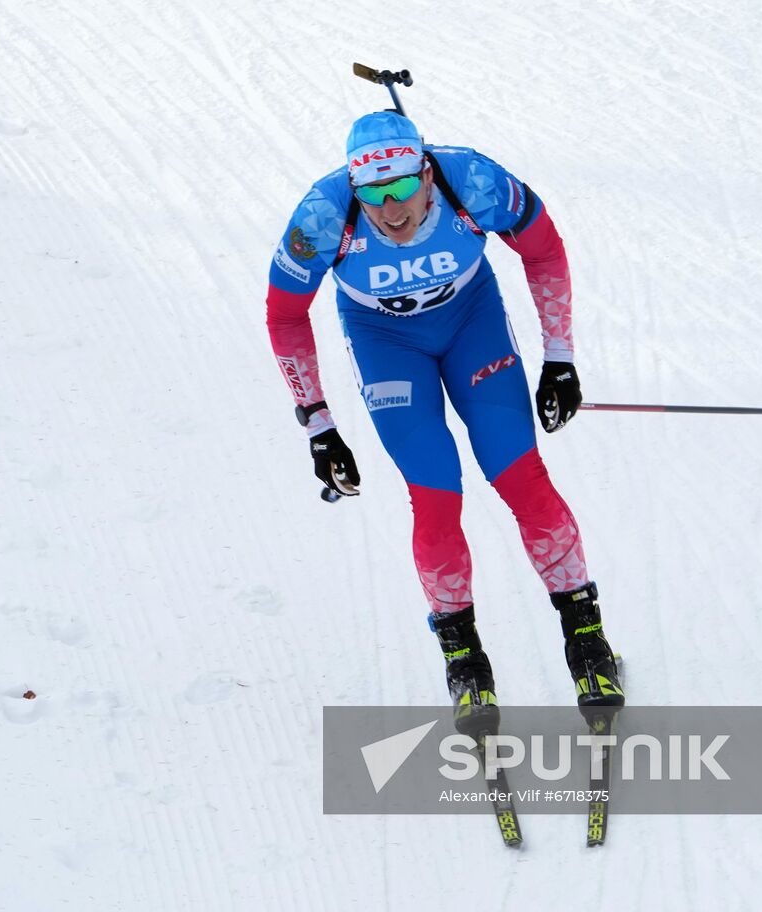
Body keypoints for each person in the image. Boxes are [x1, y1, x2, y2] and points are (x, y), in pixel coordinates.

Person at [265, 111, 623, 735]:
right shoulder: (323, 216)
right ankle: (465, 662)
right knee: (436, 497)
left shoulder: (473, 180)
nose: (390, 209)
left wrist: (560, 359)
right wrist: (319, 425)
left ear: (426, 174)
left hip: (471, 325)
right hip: (385, 344)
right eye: (373, 196)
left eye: (401, 189)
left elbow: (543, 248)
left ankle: (586, 642)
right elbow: (285, 317)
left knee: (521, 479)